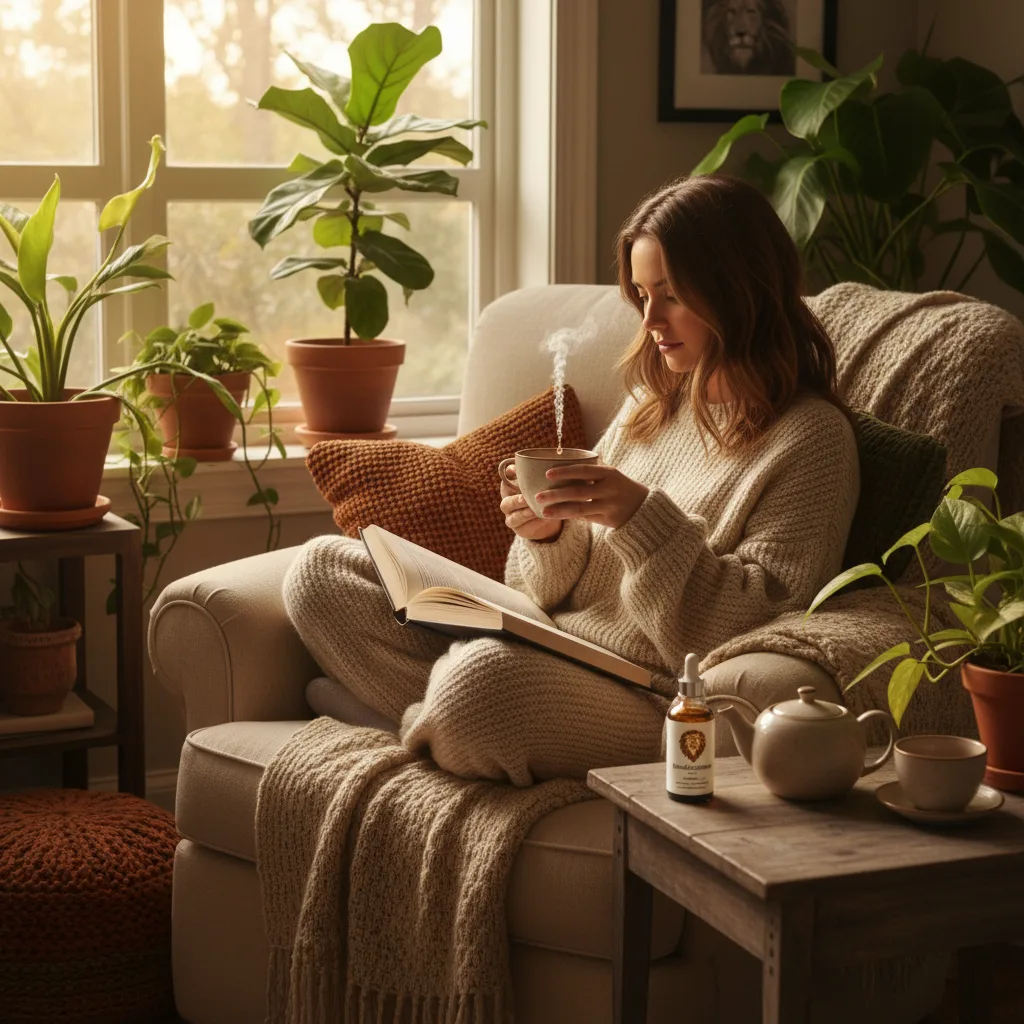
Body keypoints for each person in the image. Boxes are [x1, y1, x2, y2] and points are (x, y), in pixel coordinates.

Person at [282, 173, 860, 787]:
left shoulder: (813, 440)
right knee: (320, 572)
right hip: (555, 646)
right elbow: (538, 591)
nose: (650, 319)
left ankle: (404, 719)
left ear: (739, 290)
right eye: (642, 294)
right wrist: (548, 535)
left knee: (479, 685)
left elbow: (748, 632)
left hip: (653, 694)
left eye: (671, 295)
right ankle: (437, 723)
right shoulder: (651, 408)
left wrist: (641, 520)